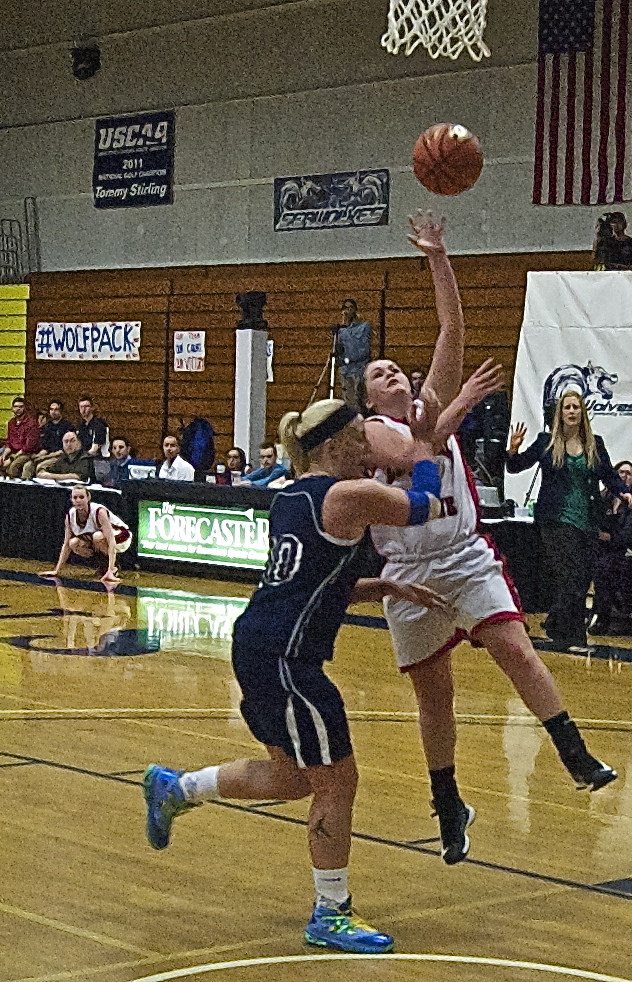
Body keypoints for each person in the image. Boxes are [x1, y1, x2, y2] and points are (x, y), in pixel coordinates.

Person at [142, 398, 450, 955]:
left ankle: (177, 788)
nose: (370, 449)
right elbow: (424, 505)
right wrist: (426, 447)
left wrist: (382, 586)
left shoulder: (290, 496)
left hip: (261, 645)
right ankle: (331, 912)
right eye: (360, 438)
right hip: (287, 659)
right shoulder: (345, 495)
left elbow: (308, 583)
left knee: (293, 776)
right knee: (338, 781)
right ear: (333, 446)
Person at [364, 213, 617, 868]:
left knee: (516, 649)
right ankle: (447, 802)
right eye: (379, 372)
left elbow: (452, 328)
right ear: (367, 397)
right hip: (409, 573)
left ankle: (574, 753)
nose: (393, 373)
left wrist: (437, 256)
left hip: (462, 555)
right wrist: (461, 405)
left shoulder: (429, 400)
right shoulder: (370, 434)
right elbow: (422, 448)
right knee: (435, 697)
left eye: (397, 367)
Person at [507, 393, 632, 649]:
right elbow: (516, 466)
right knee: (571, 575)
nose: (572, 411)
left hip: (587, 519)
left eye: (576, 407)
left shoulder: (595, 444)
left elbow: (608, 474)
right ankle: (574, 636)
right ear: (560, 413)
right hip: (556, 519)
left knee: (583, 577)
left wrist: (623, 492)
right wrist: (513, 449)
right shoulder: (546, 442)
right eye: (567, 407)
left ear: (582, 413)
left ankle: (556, 622)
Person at [590, 460, 632, 634]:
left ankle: (610, 614)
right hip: (601, 549)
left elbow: (629, 534)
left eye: (629, 474)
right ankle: (597, 614)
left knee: (607, 566)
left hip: (626, 550)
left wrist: (607, 537)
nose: (624, 476)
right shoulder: (602, 498)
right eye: (621, 472)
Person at [41, 484, 131, 584]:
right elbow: (66, 545)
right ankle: (103, 565)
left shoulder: (99, 512)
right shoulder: (70, 515)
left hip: (122, 536)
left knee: (97, 537)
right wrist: (57, 570)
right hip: (96, 539)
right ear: (71, 500)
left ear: (88, 498)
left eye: (81, 497)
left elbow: (111, 541)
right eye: (75, 497)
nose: (78, 500)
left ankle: (113, 568)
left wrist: (111, 570)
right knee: (73, 543)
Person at [335, 299, 372, 411]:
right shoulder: (341, 330)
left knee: (361, 401)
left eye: (351, 307)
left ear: (355, 310)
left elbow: (364, 350)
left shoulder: (363, 327)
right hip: (346, 371)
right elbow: (338, 349)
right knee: (349, 403)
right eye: (346, 308)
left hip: (359, 369)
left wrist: (348, 359)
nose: (348, 310)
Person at [22, 399, 73, 479]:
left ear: (61, 411)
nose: (53, 412)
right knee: (28, 466)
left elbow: (65, 451)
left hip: (61, 456)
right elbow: (45, 447)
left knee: (40, 466)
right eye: (51, 409)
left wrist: (44, 457)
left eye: (56, 409)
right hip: (48, 454)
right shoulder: (48, 426)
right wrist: (38, 456)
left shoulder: (67, 426)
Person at [1, 396, 41, 478]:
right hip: (14, 452)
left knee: (13, 468)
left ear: (25, 408)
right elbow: (9, 443)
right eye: (16, 406)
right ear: (12, 408)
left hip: (28, 453)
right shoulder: (11, 423)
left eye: (21, 407)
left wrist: (11, 459)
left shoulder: (31, 423)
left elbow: (28, 447)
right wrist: (3, 456)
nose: (18, 409)